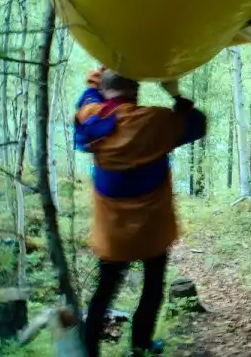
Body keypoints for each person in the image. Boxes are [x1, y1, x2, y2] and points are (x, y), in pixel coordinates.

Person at [74, 67, 207, 356]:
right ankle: (140, 345)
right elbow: (197, 125)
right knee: (152, 288)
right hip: (152, 230)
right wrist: (176, 95)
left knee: (104, 292)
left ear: (105, 90)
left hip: (113, 234)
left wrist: (102, 74)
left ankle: (89, 351)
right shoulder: (155, 121)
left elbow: (89, 97)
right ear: (136, 90)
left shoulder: (91, 119)